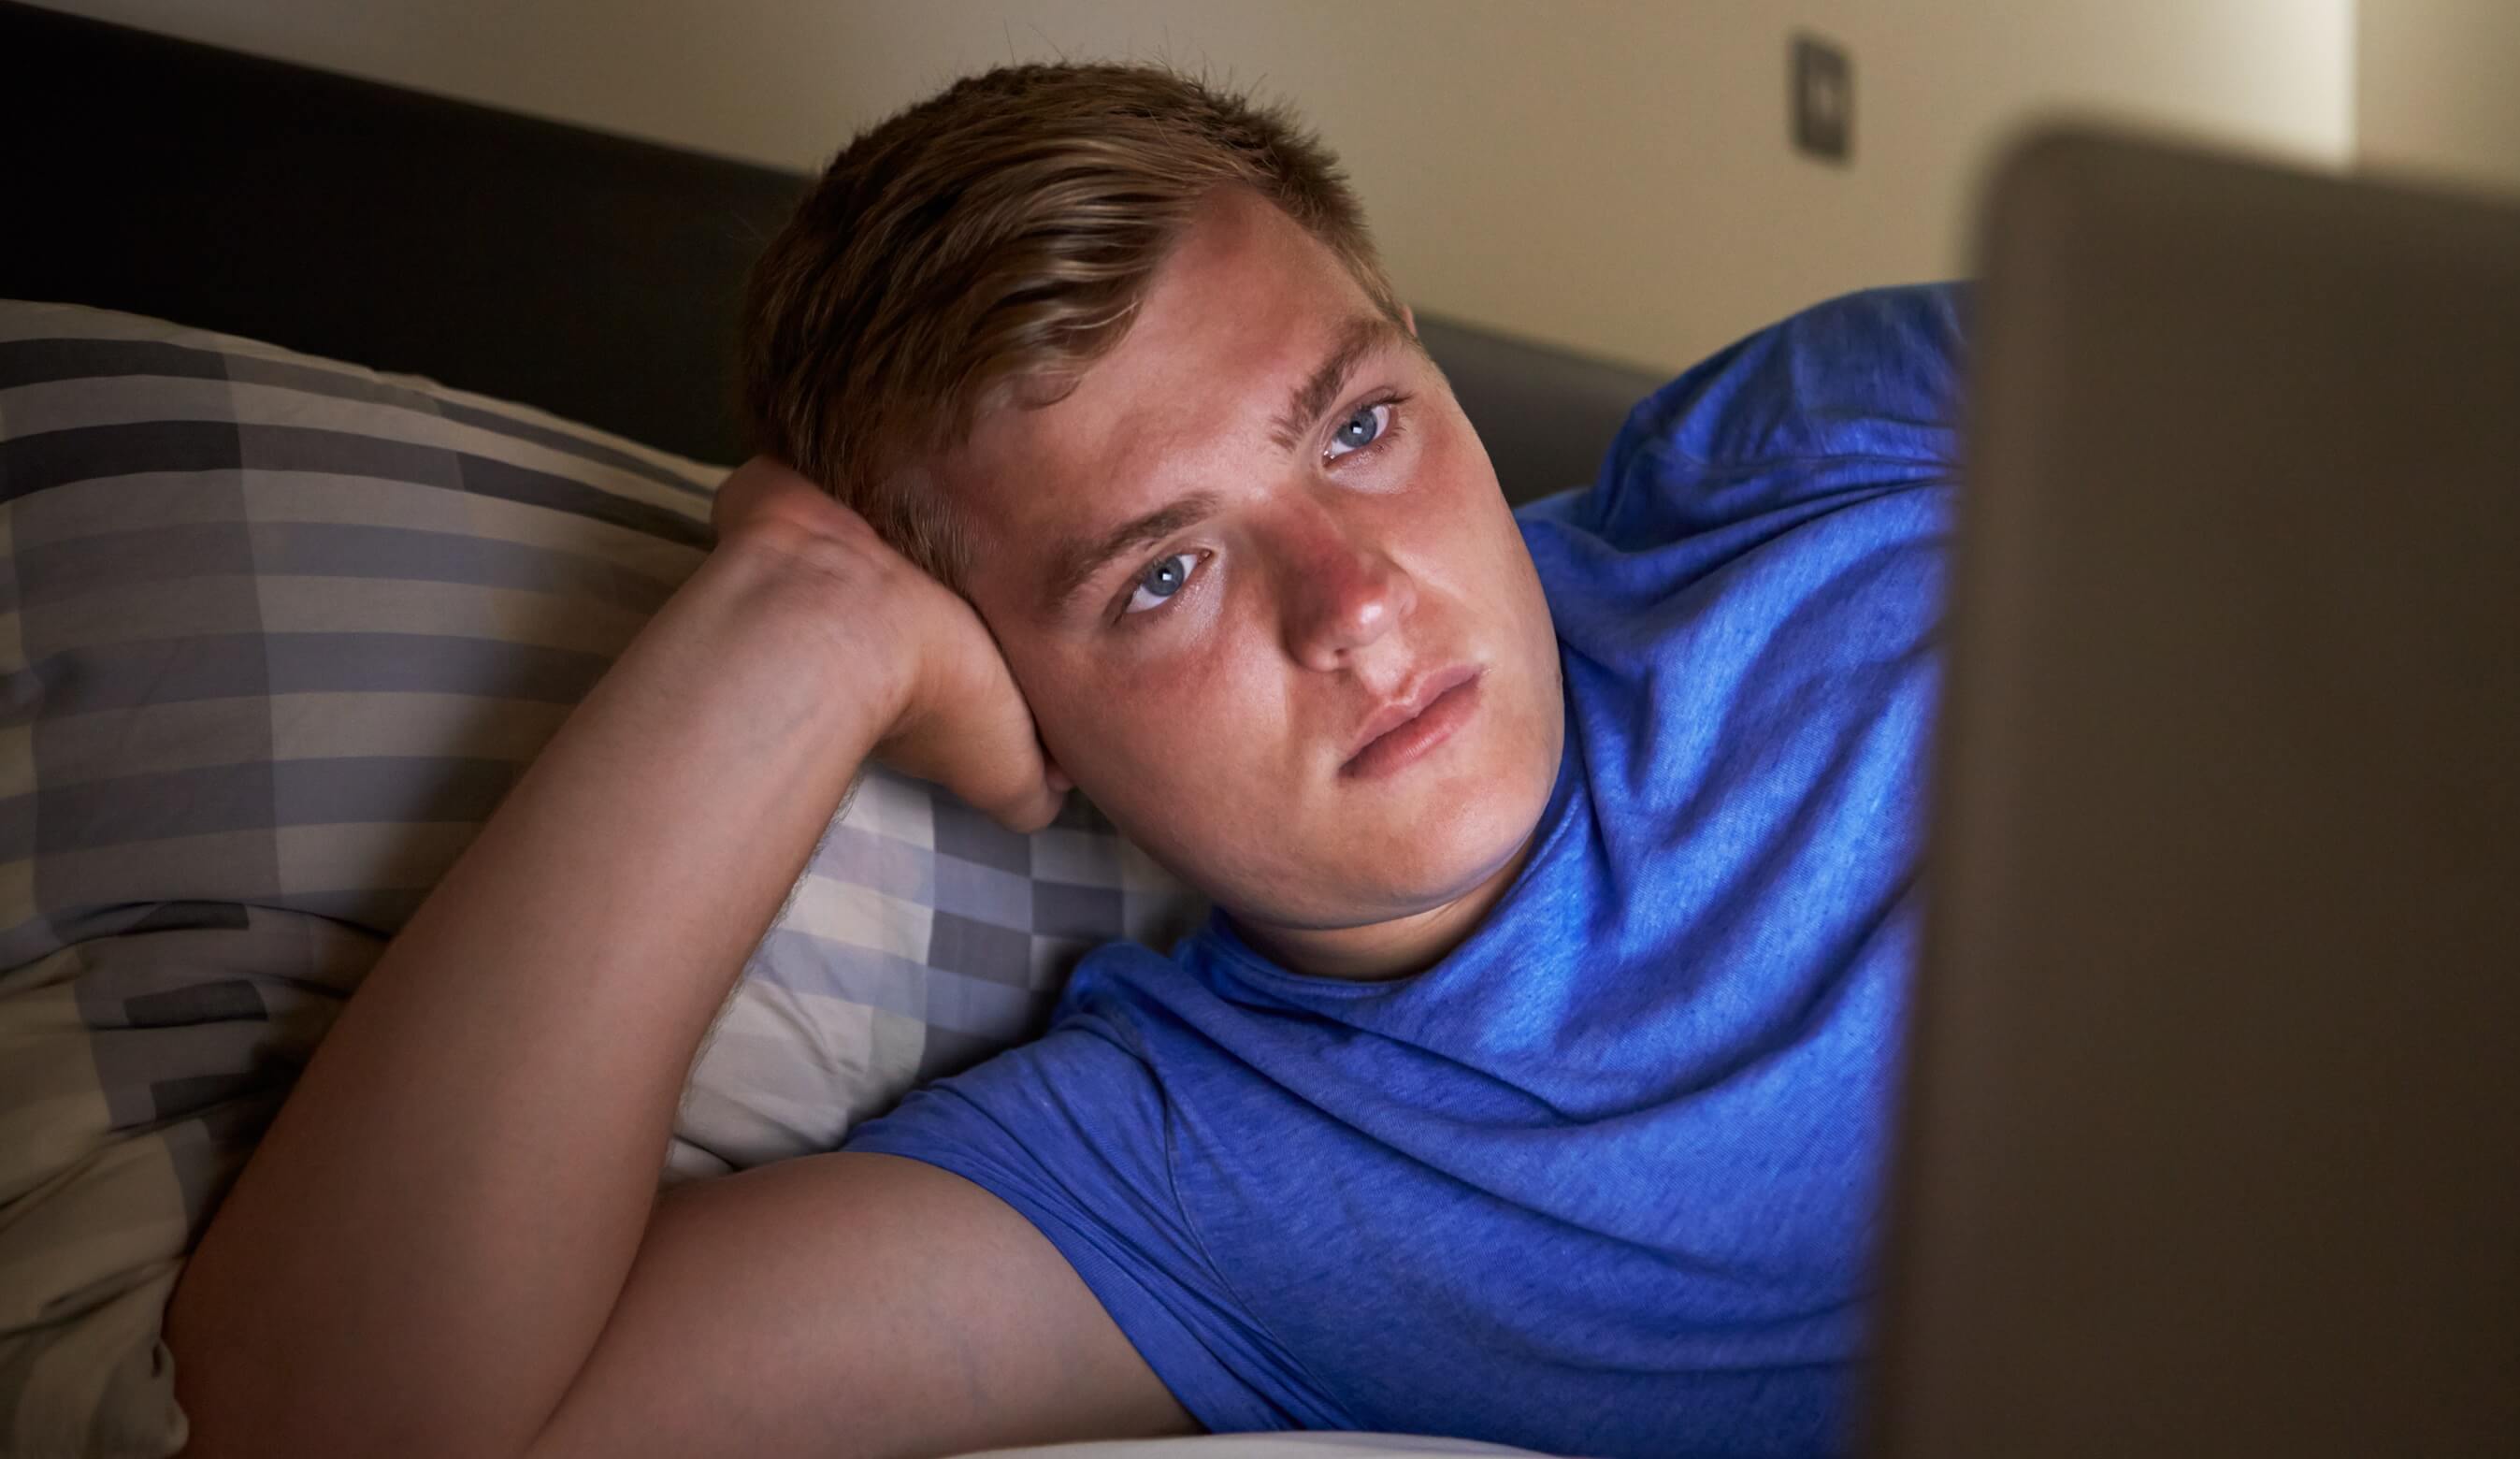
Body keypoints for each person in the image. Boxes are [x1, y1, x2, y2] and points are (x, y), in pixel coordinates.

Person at [165, 61, 1961, 1459]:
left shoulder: (1802, 458)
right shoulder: (1194, 1180)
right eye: (1162, 574)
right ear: (1020, 704)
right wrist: (796, 632)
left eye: (1356, 425)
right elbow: (329, 1429)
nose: (1351, 605)